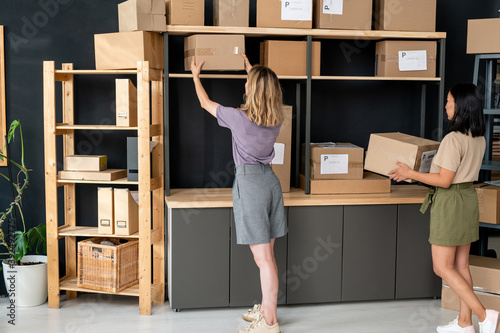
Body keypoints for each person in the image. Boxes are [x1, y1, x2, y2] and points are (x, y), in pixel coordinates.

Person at [389, 83, 498, 333]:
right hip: (468, 199)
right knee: (461, 266)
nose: (446, 105)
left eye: (449, 101)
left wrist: (409, 173)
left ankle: (485, 314)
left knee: (442, 267)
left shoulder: (452, 139)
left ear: (460, 105)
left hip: (450, 203)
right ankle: (464, 323)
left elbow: (444, 181)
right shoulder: (479, 137)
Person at [190, 54, 286, 333]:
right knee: (268, 257)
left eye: (247, 81)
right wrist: (252, 71)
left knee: (263, 259)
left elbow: (205, 103)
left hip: (251, 185)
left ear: (252, 89)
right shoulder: (276, 118)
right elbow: (263, 91)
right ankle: (267, 310)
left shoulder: (238, 118)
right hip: (270, 182)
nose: (244, 84)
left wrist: (196, 76)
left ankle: (269, 323)